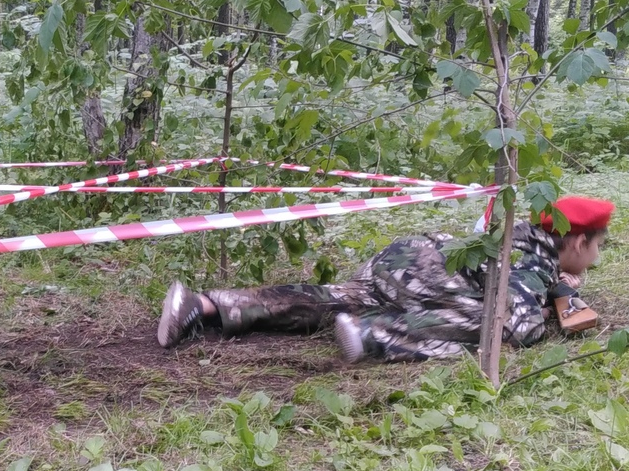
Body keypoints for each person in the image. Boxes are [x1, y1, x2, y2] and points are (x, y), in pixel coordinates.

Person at [156, 196, 615, 363]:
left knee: (336, 297)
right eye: (599, 245)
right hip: (425, 277)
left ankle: (204, 305)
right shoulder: (535, 261)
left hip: (403, 259)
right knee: (504, 324)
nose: (597, 256)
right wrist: (543, 308)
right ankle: (375, 333)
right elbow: (516, 318)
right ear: (577, 242)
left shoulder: (517, 236)